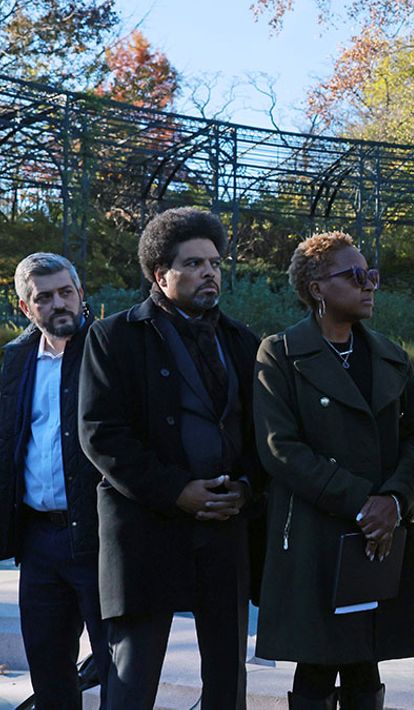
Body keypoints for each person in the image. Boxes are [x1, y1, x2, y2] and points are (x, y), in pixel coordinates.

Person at [78, 206, 263, 709]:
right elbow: (101, 434)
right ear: (161, 274)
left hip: (225, 527)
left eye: (215, 262)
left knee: (228, 682)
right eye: (195, 263)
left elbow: (261, 434)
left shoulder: (242, 340)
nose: (210, 272)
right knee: (131, 681)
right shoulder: (114, 336)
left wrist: (245, 488)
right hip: (145, 530)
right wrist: (177, 490)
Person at [253, 231, 414, 709]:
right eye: (356, 276)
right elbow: (280, 448)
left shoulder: (390, 355)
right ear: (316, 288)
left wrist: (393, 502)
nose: (369, 285)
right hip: (317, 534)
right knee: (316, 660)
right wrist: (364, 504)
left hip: (382, 533)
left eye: (371, 274)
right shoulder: (280, 353)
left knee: (365, 656)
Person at [0, 253, 108, 707]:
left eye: (66, 292)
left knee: (120, 670)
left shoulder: (109, 350)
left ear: (81, 294)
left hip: (103, 539)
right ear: (26, 308)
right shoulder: (14, 361)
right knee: (49, 672)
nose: (59, 303)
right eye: (44, 297)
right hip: (39, 541)